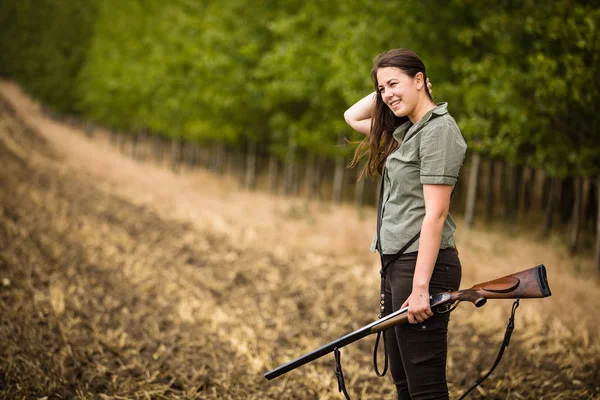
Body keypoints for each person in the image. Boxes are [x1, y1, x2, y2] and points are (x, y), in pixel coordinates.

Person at [344, 48, 467, 400]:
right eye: (381, 89)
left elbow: (436, 214)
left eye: (394, 84)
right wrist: (390, 86)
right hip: (399, 264)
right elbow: (352, 116)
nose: (386, 95)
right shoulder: (408, 130)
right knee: (403, 381)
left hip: (422, 267)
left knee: (425, 388)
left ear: (419, 80)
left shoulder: (439, 132)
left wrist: (420, 288)